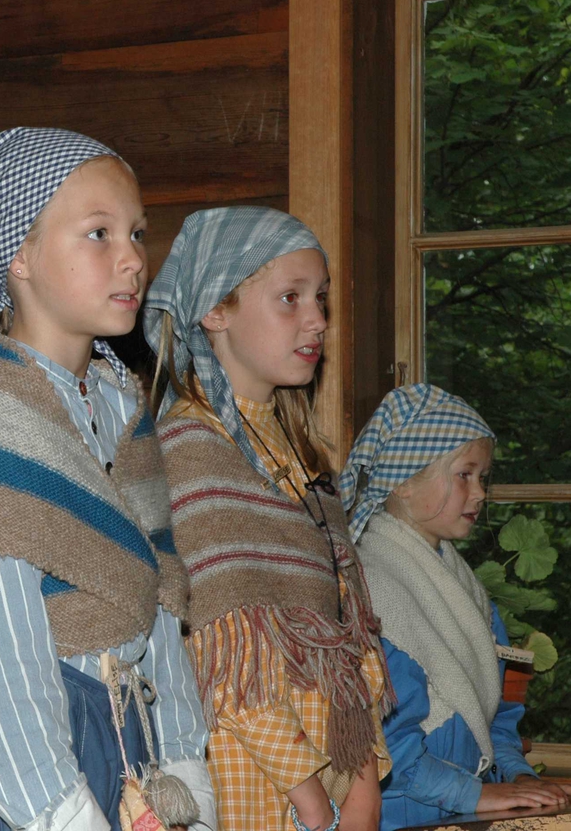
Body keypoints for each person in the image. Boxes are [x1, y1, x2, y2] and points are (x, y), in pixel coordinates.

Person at [0, 127, 217, 831]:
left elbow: (156, 608)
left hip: (126, 753)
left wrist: (182, 770)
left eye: (137, 233)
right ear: (19, 252)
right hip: (18, 778)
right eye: (98, 233)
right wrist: (60, 810)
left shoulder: (119, 407)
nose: (132, 259)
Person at [143, 207, 392, 831]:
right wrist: (316, 807)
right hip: (259, 782)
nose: (319, 321)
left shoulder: (299, 454)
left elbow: (343, 637)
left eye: (321, 299)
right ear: (215, 311)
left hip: (331, 776)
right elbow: (225, 659)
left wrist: (361, 784)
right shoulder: (193, 448)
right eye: (291, 299)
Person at [339, 384, 571, 830]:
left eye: (484, 478)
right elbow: (384, 748)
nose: (480, 493)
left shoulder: (466, 591)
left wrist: (515, 776)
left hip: (460, 810)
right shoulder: (373, 590)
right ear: (403, 478)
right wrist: (479, 794)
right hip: (403, 815)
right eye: (465, 475)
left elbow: (491, 714)